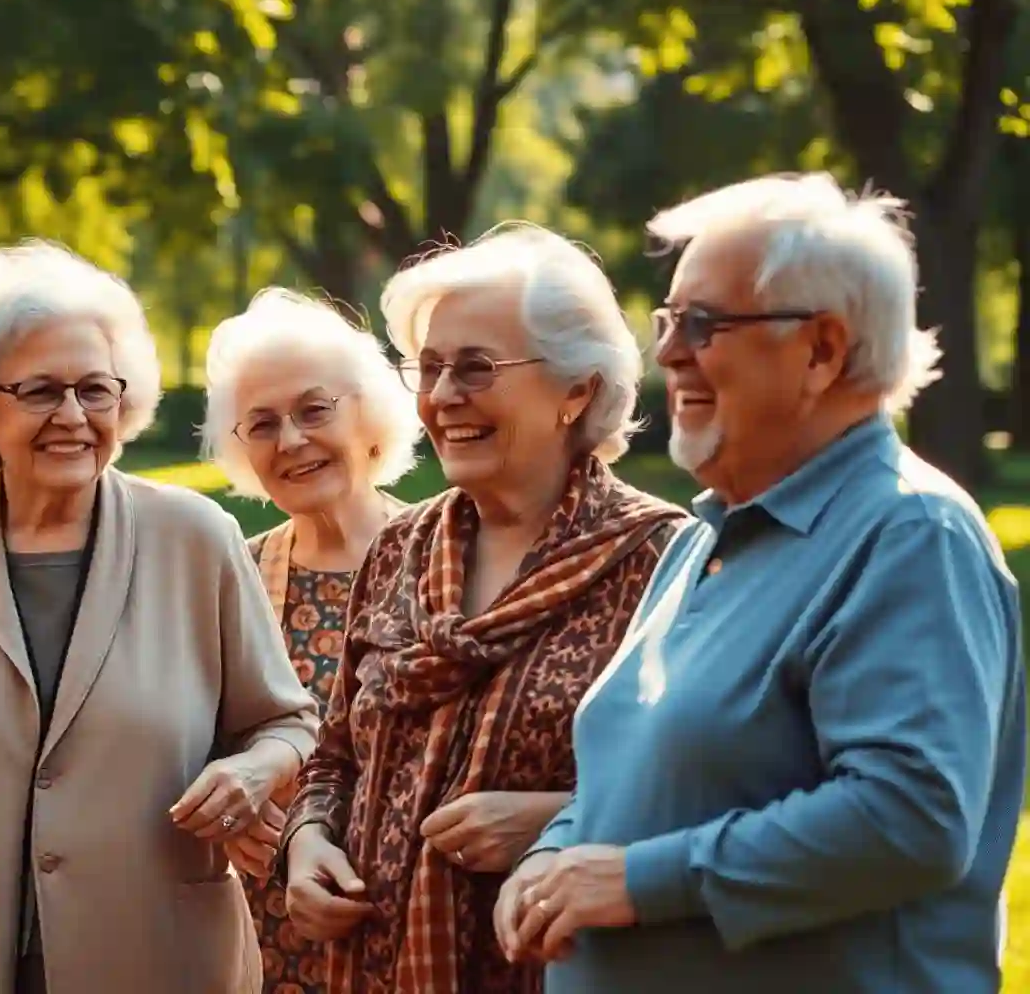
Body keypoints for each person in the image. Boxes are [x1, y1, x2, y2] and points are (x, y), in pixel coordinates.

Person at [497, 174, 1027, 993]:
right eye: (669, 320)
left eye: (703, 324)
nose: (669, 352)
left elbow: (911, 816)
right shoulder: (708, 533)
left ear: (821, 349)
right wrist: (556, 851)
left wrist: (642, 882)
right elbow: (636, 776)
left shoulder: (911, 535)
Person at [0, 240, 320, 994]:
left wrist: (253, 768)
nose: (73, 416)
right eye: (39, 391)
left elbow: (290, 723)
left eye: (95, 390)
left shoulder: (197, 539)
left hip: (164, 956)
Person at [281, 223, 689, 994]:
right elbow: (335, 754)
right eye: (429, 369)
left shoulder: (661, 563)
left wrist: (556, 820)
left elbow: (716, 795)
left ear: (578, 389)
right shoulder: (400, 548)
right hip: (372, 969)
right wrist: (308, 841)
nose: (440, 399)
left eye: (476, 368)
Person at [200, 287, 422, 993]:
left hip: (415, 932)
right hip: (269, 950)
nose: (291, 440)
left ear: (371, 416)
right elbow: (186, 738)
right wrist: (227, 809)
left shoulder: (447, 557)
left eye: (314, 410)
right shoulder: (231, 571)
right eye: (260, 423)